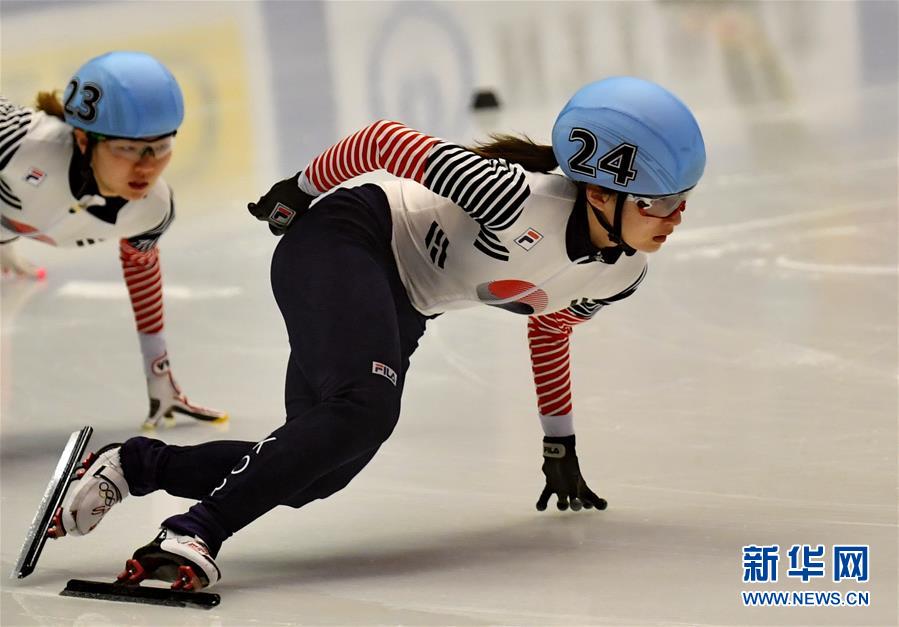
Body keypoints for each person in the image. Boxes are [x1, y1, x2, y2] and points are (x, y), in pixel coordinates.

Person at [49, 76, 706, 591]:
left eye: (682, 199)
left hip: (402, 301)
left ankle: (133, 464)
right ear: (598, 193)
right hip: (346, 238)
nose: (673, 218)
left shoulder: (622, 274)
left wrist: (558, 443)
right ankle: (192, 532)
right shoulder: (513, 195)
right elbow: (385, 141)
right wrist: (298, 189)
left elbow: (550, 327)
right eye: (658, 202)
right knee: (365, 408)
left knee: (315, 472)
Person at [0, 51, 227, 429]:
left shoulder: (153, 209)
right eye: (127, 149)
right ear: (83, 140)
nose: (146, 166)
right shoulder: (23, 142)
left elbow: (142, 271)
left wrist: (160, 380)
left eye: (161, 147)